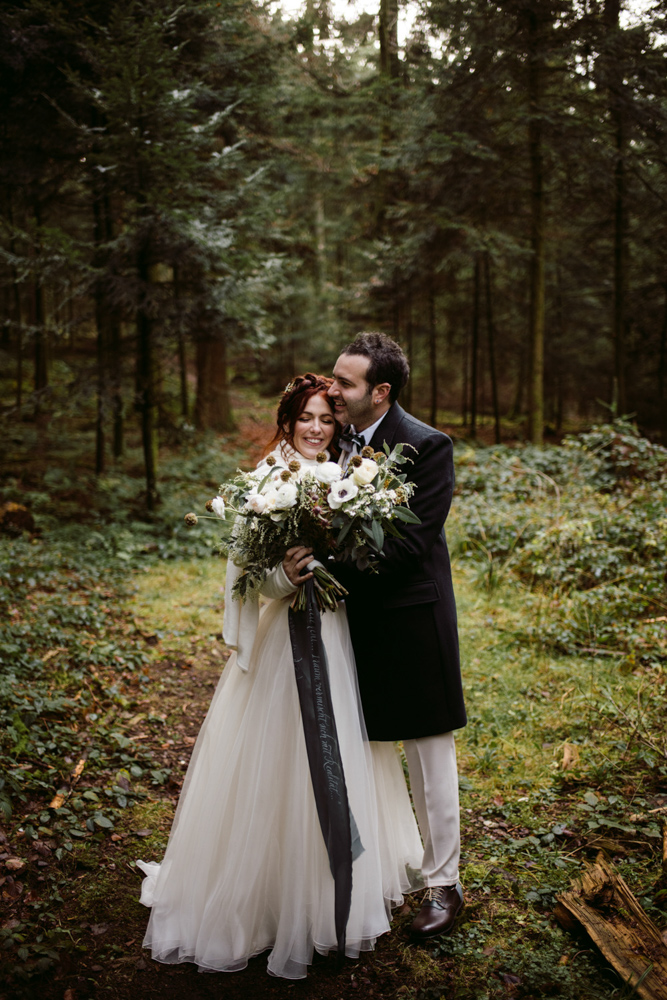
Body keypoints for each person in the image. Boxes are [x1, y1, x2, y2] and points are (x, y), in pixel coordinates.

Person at [137, 373, 423, 980]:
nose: (316, 429)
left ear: (336, 423)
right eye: (305, 419)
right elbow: (248, 576)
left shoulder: (352, 477)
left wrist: (343, 553)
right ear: (287, 423)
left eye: (325, 418)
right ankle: (264, 897)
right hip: (283, 645)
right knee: (277, 762)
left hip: (335, 637)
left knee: (340, 750)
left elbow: (364, 557)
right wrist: (287, 575)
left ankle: (327, 900)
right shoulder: (264, 482)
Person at [327, 332, 467, 939]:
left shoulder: (425, 447)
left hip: (409, 618)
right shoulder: (325, 437)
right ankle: (372, 872)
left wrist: (322, 566)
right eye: (333, 378)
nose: (332, 390)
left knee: (429, 754)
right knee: (360, 754)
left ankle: (444, 883)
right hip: (341, 625)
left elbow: (408, 547)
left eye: (345, 383)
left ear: (380, 392)